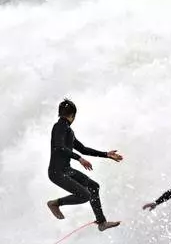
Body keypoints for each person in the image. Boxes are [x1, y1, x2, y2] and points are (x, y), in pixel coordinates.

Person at [46, 99, 123, 231]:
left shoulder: (67, 130)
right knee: (85, 195)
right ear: (73, 116)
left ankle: (101, 222)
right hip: (57, 173)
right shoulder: (59, 127)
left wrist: (106, 154)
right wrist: (79, 158)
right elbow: (59, 147)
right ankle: (55, 203)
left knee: (93, 187)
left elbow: (83, 148)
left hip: (65, 170)